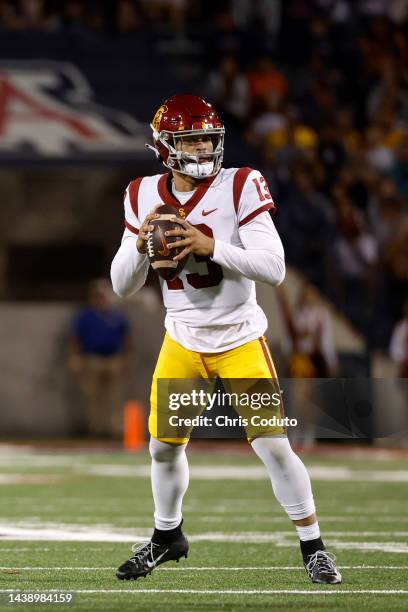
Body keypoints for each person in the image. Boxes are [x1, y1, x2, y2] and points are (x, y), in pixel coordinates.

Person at [110, 94, 341, 584]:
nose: (202, 147)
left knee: (274, 444)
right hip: (183, 338)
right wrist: (139, 243)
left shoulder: (240, 184)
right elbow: (121, 285)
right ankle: (166, 536)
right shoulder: (141, 194)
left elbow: (274, 269)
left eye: (207, 137)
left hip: (239, 336)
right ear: (164, 147)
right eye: (190, 138)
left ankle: (313, 546)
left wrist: (211, 245)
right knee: (162, 448)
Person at [68, 278, 131, 437]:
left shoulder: (116, 315)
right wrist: (75, 357)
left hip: (113, 359)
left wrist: (126, 357)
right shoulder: (85, 316)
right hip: (92, 359)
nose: (99, 299)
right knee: (93, 397)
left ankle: (115, 429)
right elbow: (75, 337)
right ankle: (97, 429)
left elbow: (126, 337)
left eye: (102, 295)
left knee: (115, 396)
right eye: (96, 296)